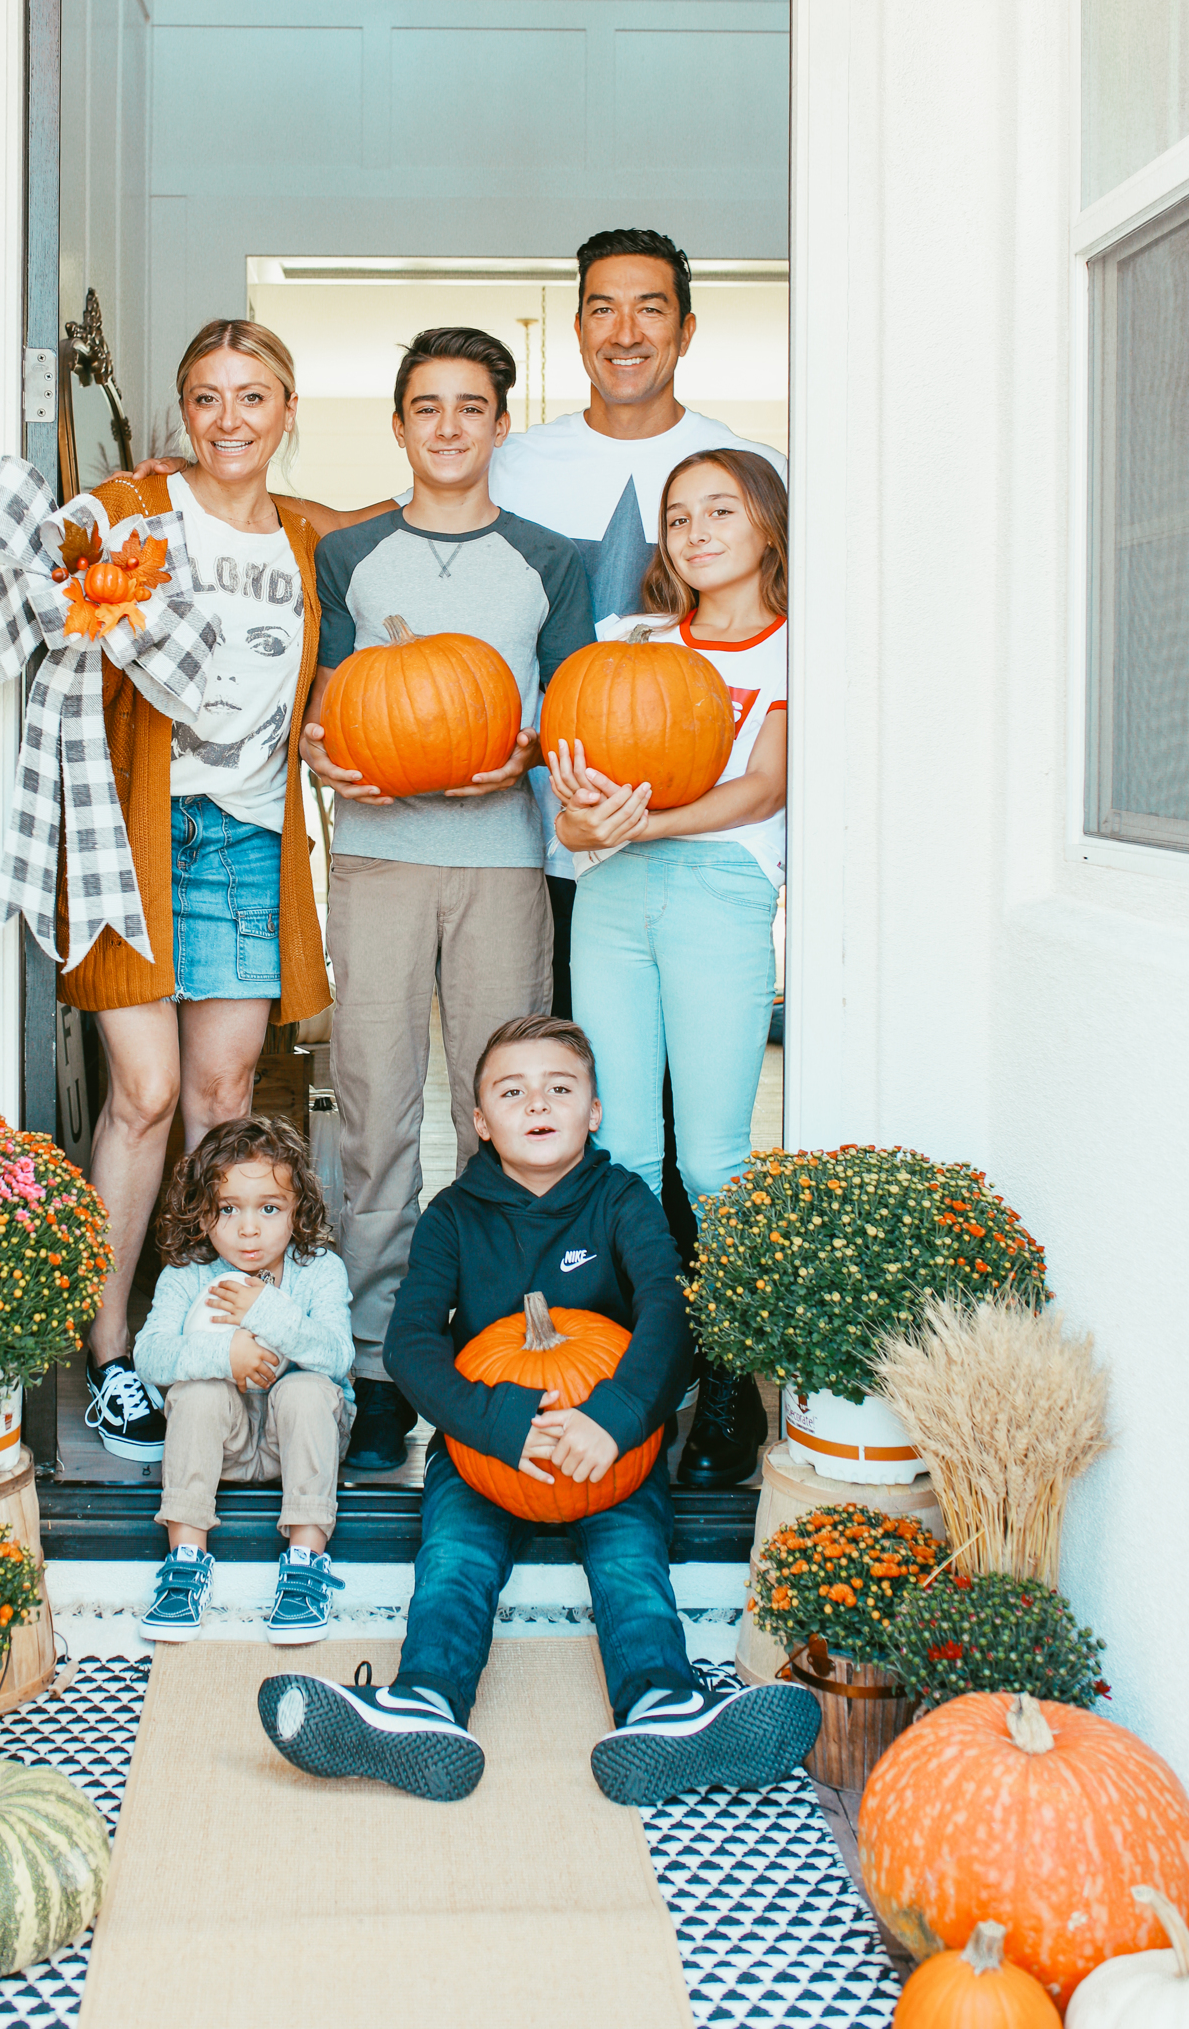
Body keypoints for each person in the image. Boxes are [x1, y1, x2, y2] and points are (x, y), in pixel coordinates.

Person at [254, 1014, 819, 1802]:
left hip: (607, 1451)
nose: (536, 1104)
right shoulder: (454, 1216)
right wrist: (497, 1424)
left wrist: (616, 1419)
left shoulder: (622, 1201)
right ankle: (422, 1704)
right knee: (453, 1562)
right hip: (487, 1453)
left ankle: (665, 1705)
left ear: (592, 1110)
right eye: (511, 1092)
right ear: (480, 1121)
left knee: (630, 1564)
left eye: (559, 1088)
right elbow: (413, 1344)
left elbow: (667, 1313)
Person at [301, 328, 594, 1473]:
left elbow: (577, 717)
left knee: (510, 1119)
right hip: (376, 856)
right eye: (426, 407)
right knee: (373, 1116)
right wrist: (325, 759)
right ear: (398, 424)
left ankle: (495, 1352)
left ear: (498, 424)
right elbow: (328, 710)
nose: (448, 427)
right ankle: (378, 1364)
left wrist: (521, 754)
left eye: (470, 407)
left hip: (498, 859)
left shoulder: (546, 560)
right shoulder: (351, 555)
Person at [58, 320, 331, 1465]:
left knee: (223, 1098)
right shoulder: (133, 509)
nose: (229, 419)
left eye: (252, 396)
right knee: (145, 1093)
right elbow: (49, 562)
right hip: (135, 833)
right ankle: (112, 1349)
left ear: (284, 410)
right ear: (182, 412)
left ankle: (212, 1337)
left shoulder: (306, 541)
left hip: (247, 841)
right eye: (207, 397)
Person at [547, 450, 788, 1485]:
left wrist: (637, 822)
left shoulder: (795, 648)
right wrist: (592, 819)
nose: (693, 532)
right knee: (629, 1153)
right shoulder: (624, 642)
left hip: (719, 895)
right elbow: (569, 810)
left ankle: (733, 1376)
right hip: (608, 898)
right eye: (676, 517)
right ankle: (651, 1366)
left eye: (717, 511)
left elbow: (761, 789)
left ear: (766, 525)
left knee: (713, 1160)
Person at [133, 1114, 354, 1643]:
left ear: (297, 1210)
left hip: (294, 1442)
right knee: (198, 1391)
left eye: (270, 1209)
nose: (249, 1228)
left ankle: (305, 1564)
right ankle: (186, 1563)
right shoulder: (187, 1274)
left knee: (307, 1388)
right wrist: (224, 1352)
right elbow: (150, 1356)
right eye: (228, 1209)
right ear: (202, 1212)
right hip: (224, 1445)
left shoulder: (319, 1269)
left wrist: (268, 1311)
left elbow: (337, 1355)